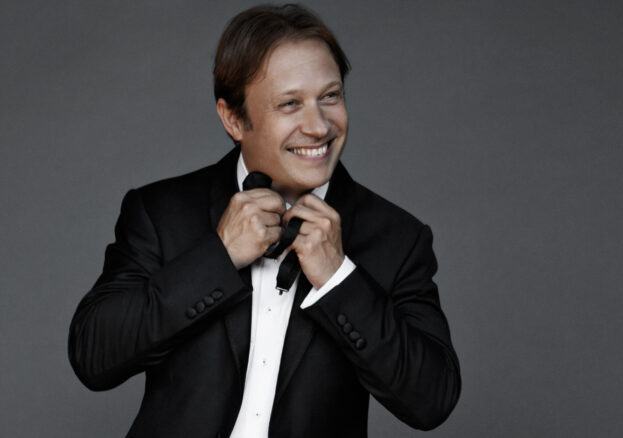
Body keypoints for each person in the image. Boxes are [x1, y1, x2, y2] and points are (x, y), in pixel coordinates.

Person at [68, 4, 461, 437]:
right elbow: (93, 357)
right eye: (290, 103)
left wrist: (338, 278)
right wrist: (218, 257)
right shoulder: (160, 212)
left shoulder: (398, 238)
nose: (319, 127)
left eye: (330, 96)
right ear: (234, 119)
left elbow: (432, 400)